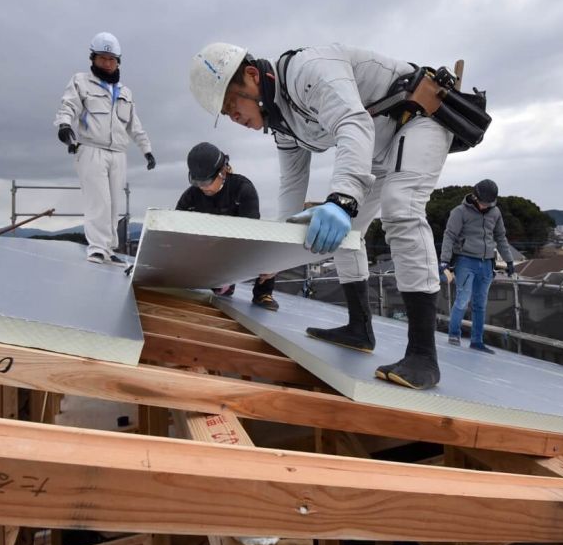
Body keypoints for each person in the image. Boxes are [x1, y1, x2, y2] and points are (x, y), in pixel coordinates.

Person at [189, 43, 457, 390]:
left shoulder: (307, 72)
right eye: (225, 114)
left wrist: (342, 200)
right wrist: (276, 252)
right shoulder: (283, 124)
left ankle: (423, 354)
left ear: (253, 76)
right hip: (379, 145)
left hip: (420, 117)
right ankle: (359, 328)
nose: (234, 118)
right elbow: (292, 184)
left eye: (231, 105)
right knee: (349, 236)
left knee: (400, 207)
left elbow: (352, 122)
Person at [54, 32, 156, 265]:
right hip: (91, 149)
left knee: (113, 204)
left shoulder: (125, 92)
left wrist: (146, 149)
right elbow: (68, 106)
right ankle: (97, 248)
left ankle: (109, 249)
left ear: (118, 61)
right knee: (97, 201)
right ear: (93, 58)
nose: (107, 63)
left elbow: (134, 124)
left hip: (118, 153)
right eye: (102, 58)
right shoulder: (81, 81)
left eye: (112, 59)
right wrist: (64, 126)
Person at [176, 142, 279, 311]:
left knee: (269, 245)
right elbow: (173, 233)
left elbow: (253, 233)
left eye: (207, 181)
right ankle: (220, 283)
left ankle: (263, 293)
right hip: (205, 250)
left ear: (223, 172)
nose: (203, 187)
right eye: (196, 181)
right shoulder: (191, 196)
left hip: (238, 246)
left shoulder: (242, 189)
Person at [439, 179, 515, 353]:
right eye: (481, 202)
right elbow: (449, 235)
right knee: (463, 300)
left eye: (487, 203)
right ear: (475, 196)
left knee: (481, 304)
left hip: (487, 263)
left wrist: (509, 260)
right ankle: (454, 335)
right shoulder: (459, 212)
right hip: (465, 261)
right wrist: (445, 260)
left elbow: (501, 237)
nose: (483, 206)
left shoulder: (495, 212)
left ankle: (477, 341)